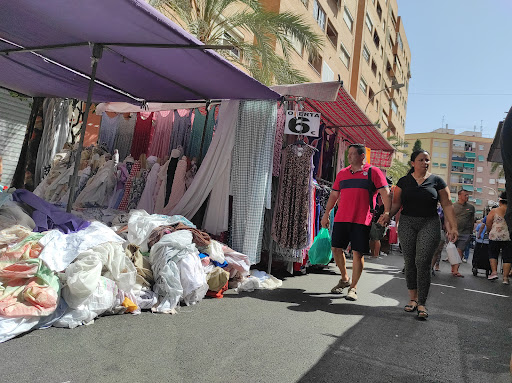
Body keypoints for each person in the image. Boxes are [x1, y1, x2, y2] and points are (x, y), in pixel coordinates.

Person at [380, 150, 458, 319]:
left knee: (422, 261)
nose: (425, 162)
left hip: (429, 222)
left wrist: (453, 227)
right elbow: (396, 203)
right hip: (407, 222)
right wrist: (388, 215)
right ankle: (412, 299)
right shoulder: (404, 181)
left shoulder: (437, 181)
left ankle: (422, 302)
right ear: (413, 163)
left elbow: (447, 204)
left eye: (427, 160)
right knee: (410, 262)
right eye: (421, 160)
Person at [321, 143, 391, 301]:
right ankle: (344, 279)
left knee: (358, 253)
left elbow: (385, 193)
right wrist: (326, 214)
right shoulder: (342, 173)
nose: (349, 156)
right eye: (349, 154)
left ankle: (353, 287)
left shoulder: (373, 172)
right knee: (336, 248)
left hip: (362, 219)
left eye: (352, 153)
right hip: (341, 217)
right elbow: (333, 195)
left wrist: (387, 212)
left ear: (362, 156)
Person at [485, 192, 512, 283]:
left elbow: (488, 222)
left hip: (495, 235)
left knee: (493, 254)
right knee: (507, 257)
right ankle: (505, 278)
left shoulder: (494, 211)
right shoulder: (510, 211)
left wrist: (489, 231)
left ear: (500, 201)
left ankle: (494, 272)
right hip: (508, 237)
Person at [452, 190, 475, 276]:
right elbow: (448, 219)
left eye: (468, 195)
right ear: (459, 196)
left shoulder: (471, 207)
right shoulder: (453, 206)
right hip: (454, 232)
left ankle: (456, 270)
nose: (467, 197)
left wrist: (471, 232)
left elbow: (472, 220)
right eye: (465, 195)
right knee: (452, 251)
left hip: (465, 233)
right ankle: (453, 267)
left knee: (460, 250)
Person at [369, 193, 387, 258]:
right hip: (374, 219)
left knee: (376, 238)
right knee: (373, 238)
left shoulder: (385, 200)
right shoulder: (377, 197)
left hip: (380, 220)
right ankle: (373, 253)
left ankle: (375, 254)